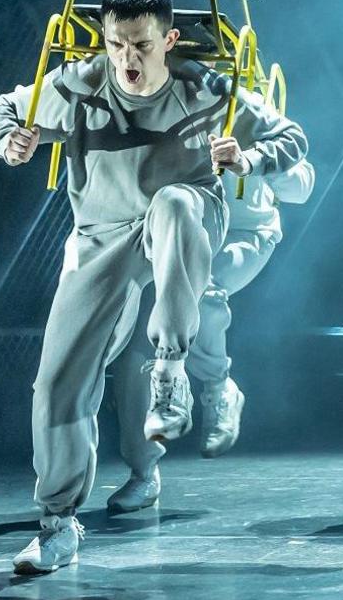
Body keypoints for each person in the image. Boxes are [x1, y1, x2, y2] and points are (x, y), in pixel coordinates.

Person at [0, 0, 307, 574]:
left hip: (182, 216)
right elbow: (5, 107)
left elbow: (292, 138)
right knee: (57, 383)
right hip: (100, 236)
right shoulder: (79, 84)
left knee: (176, 205)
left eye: (141, 45)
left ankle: (172, 369)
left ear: (169, 40)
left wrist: (248, 159)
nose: (128, 60)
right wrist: (10, 140)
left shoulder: (204, 88)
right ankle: (57, 524)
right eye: (116, 45)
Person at [105, 153, 316, 513]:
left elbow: (302, 186)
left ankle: (218, 386)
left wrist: (253, 160)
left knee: (206, 290)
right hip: (175, 234)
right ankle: (143, 472)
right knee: (139, 352)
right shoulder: (177, 105)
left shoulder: (258, 111)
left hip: (246, 234)